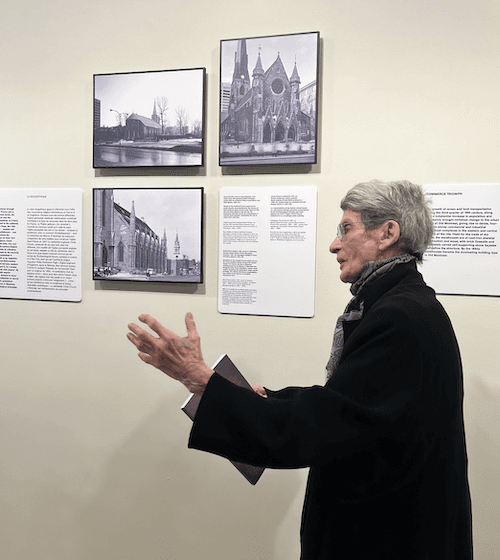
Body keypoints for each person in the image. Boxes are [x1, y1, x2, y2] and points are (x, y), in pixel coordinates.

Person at [127, 180, 473, 560]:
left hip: (389, 537)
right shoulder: (403, 305)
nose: (333, 244)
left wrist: (204, 380)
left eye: (346, 228)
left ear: (388, 233)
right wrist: (264, 400)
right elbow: (351, 404)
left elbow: (327, 424)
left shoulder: (399, 317)